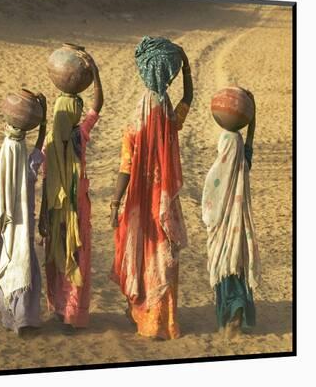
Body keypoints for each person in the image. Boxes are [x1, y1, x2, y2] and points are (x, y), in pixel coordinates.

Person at [110, 36, 193, 340]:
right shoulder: (169, 114)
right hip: (163, 202)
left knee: (141, 254)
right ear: (168, 74)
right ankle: (165, 321)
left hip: (139, 203)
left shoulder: (138, 116)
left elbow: (125, 166)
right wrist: (186, 68)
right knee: (165, 257)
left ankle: (144, 316)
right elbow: (188, 101)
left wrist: (115, 202)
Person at [0, 92, 48, 336]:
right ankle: (24, 319)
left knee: (8, 265)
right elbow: (38, 149)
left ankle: (11, 317)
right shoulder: (28, 163)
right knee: (25, 267)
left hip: (5, 227)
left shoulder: (5, 158)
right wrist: (43, 121)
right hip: (23, 225)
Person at [39, 50, 103, 332]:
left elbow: (45, 183)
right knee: (76, 256)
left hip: (54, 212)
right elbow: (97, 105)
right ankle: (72, 313)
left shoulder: (49, 144)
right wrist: (96, 73)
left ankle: (57, 309)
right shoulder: (80, 136)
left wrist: (42, 215)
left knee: (56, 257)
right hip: (78, 209)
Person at [201, 90, 261, 339]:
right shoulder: (243, 163)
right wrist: (252, 117)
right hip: (238, 227)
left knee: (224, 269)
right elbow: (248, 144)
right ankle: (237, 314)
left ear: (222, 147)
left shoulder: (218, 169)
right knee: (236, 266)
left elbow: (209, 201)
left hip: (223, 230)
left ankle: (231, 317)